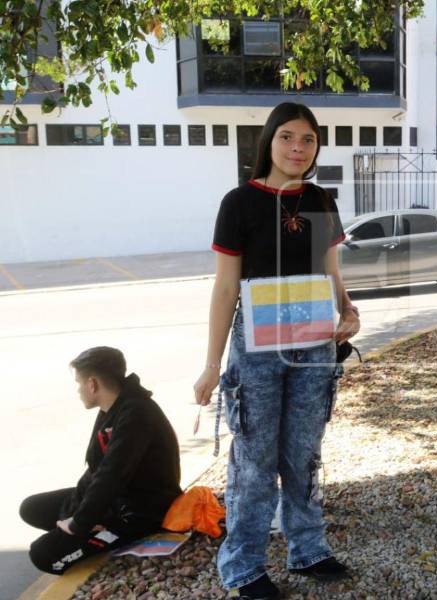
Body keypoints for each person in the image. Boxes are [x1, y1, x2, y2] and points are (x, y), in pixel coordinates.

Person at [193, 102, 360, 600]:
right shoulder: (239, 202)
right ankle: (242, 565)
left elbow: (330, 272)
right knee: (254, 459)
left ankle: (307, 549)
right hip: (257, 346)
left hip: (313, 345)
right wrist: (209, 363)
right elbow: (226, 289)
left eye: (308, 140)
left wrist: (348, 312)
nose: (297, 148)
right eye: (287, 137)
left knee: (304, 454)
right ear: (268, 141)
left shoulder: (320, 200)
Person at [19, 346, 182, 574]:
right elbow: (96, 469)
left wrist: (78, 525)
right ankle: (93, 529)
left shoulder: (136, 414)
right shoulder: (115, 406)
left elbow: (111, 476)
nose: (78, 390)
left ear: (92, 384)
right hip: (115, 501)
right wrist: (77, 514)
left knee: (42, 555)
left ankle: (99, 534)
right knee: (31, 508)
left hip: (140, 513)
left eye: (79, 383)